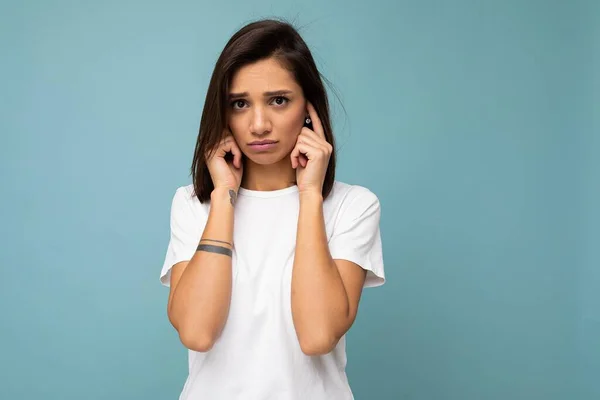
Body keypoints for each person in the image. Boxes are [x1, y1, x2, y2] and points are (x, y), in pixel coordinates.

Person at [160, 18, 385, 400]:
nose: (258, 124)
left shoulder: (353, 206)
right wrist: (224, 197)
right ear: (223, 111)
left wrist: (310, 194)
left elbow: (317, 336)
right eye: (240, 104)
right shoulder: (193, 205)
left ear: (309, 109)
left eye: (278, 100)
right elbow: (197, 332)